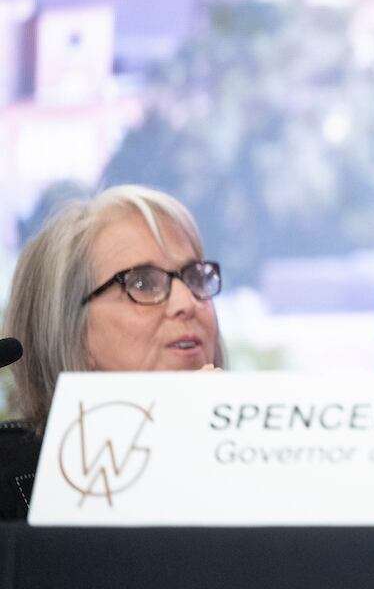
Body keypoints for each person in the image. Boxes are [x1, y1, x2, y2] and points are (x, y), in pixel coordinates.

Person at [0, 185, 226, 520]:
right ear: (68, 326)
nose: (187, 303)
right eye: (142, 283)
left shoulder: (275, 464)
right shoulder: (11, 482)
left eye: (195, 278)